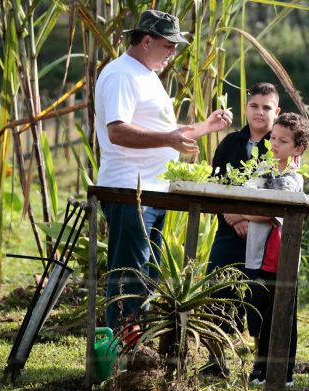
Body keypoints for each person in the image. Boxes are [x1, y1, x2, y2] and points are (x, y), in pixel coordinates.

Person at [95, 9, 233, 329]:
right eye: (169, 45)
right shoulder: (121, 74)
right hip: (130, 191)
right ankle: (122, 355)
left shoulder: (148, 75)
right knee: (129, 278)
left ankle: (139, 355)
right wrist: (170, 138)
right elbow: (118, 131)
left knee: (147, 277)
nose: (174, 53)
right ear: (146, 40)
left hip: (153, 193)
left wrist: (203, 127)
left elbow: (163, 134)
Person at [201, 82, 280, 376]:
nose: (260, 113)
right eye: (254, 106)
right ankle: (215, 361)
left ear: (277, 111)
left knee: (260, 297)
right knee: (216, 290)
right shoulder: (230, 143)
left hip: (266, 237)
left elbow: (283, 191)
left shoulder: (281, 144)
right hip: (228, 232)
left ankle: (261, 367)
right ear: (245, 108)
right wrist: (233, 216)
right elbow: (214, 182)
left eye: (267, 108)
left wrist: (250, 218)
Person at [245, 112, 309, 387]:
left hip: (284, 259)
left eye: (283, 141)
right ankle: (260, 368)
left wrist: (255, 210)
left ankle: (285, 371)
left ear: (297, 148)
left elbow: (275, 207)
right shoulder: (258, 169)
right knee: (260, 316)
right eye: (273, 137)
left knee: (284, 315)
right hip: (259, 256)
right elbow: (253, 206)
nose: (275, 144)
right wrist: (260, 210)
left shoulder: (296, 178)